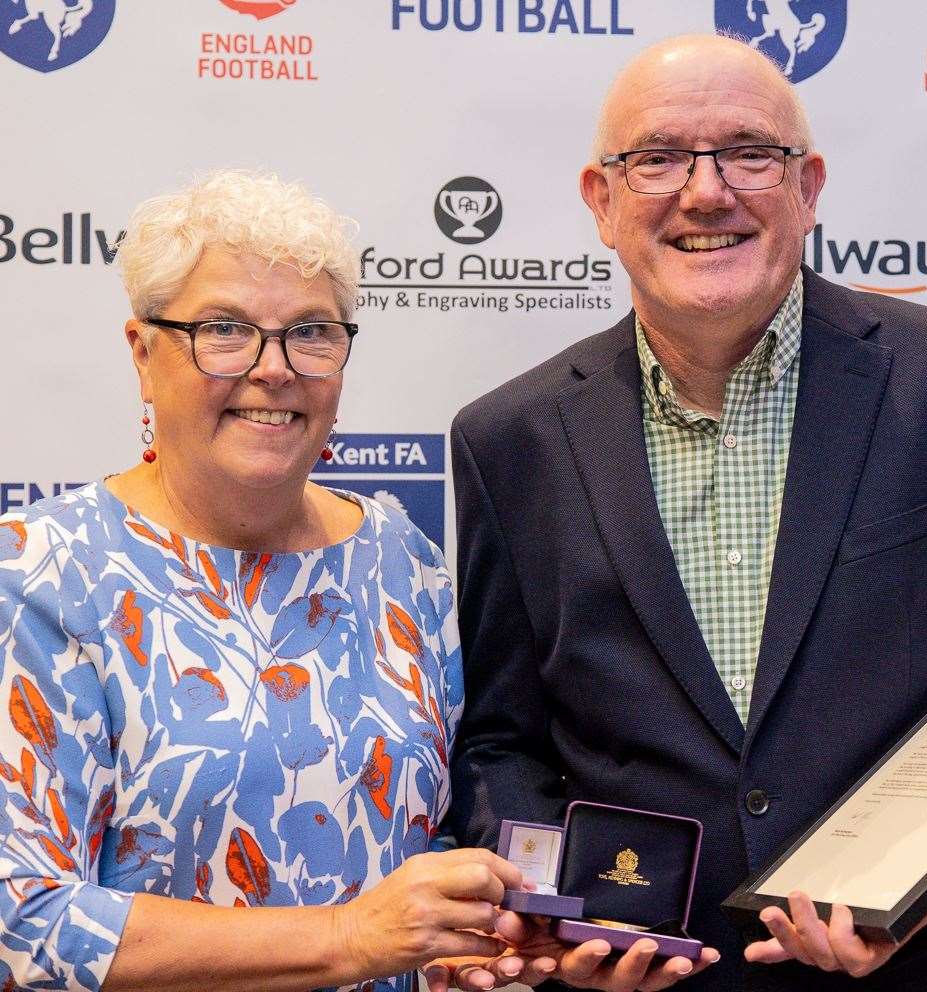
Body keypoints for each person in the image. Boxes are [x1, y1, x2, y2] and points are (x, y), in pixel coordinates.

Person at [450, 34, 927, 992]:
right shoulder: (509, 439)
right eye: (656, 158)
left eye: (750, 152)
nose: (706, 193)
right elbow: (504, 743)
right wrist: (548, 915)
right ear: (601, 200)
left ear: (808, 188)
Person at [0, 171, 553, 992]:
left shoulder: (401, 560)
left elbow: (419, 840)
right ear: (144, 354)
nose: (274, 368)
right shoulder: (42, 572)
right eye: (225, 331)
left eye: (312, 333)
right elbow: (24, 921)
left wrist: (461, 940)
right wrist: (347, 938)